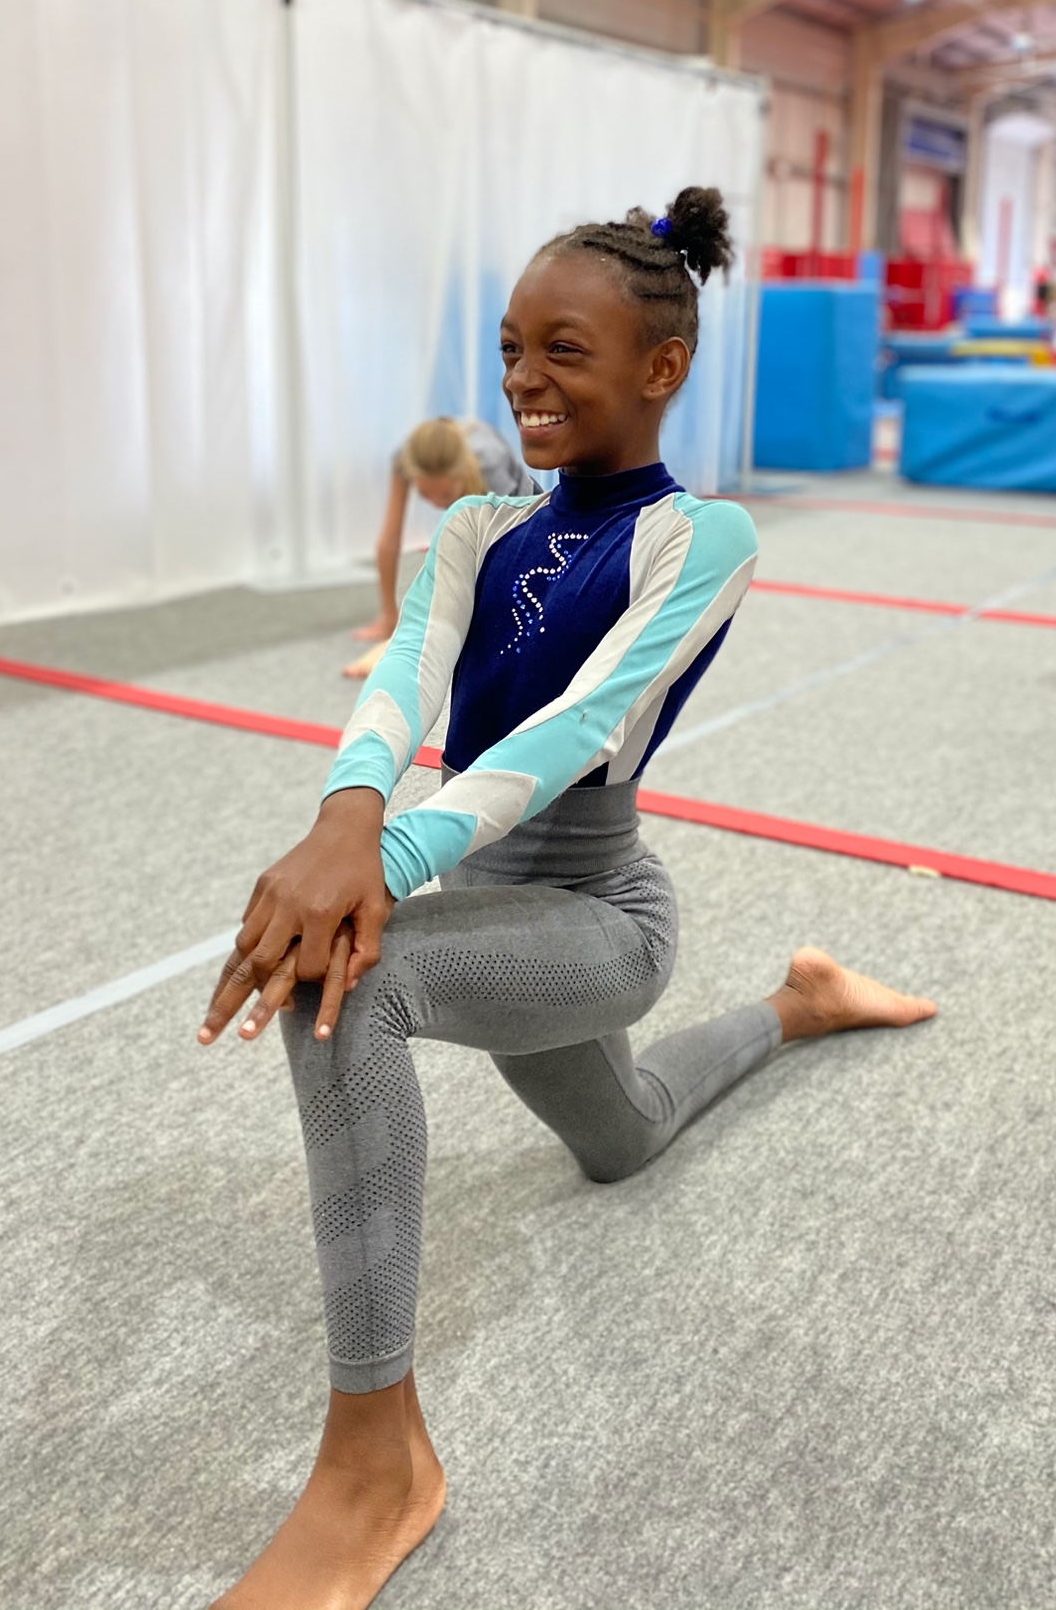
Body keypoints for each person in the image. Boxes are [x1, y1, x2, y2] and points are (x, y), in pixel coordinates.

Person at [197, 186, 938, 1610]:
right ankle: (802, 1001)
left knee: (347, 985)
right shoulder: (476, 526)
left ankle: (377, 1464)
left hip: (599, 920)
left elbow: (582, 727)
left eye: (563, 352)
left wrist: (392, 860)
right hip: (490, 905)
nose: (524, 380)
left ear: (662, 367)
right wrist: (351, 809)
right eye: (508, 348)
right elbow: (408, 672)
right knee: (627, 1138)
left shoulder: (699, 539)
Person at [345, 416, 537, 679]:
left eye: (445, 496)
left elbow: (508, 548)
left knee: (488, 611)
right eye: (426, 495)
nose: (435, 503)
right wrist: (389, 615)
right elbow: (390, 537)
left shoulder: (489, 462)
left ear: (462, 474)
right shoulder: (405, 459)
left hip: (526, 521)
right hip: (474, 514)